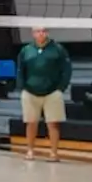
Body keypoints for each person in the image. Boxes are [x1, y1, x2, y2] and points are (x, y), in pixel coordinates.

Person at [16, 26, 71, 162]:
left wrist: (60, 88)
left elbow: (67, 70)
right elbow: (20, 70)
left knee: (53, 123)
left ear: (47, 32)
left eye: (43, 31)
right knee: (31, 123)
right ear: (33, 33)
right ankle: (30, 151)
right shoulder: (26, 50)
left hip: (52, 92)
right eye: (38, 31)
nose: (41, 34)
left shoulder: (58, 49)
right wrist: (22, 87)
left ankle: (53, 153)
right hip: (30, 92)